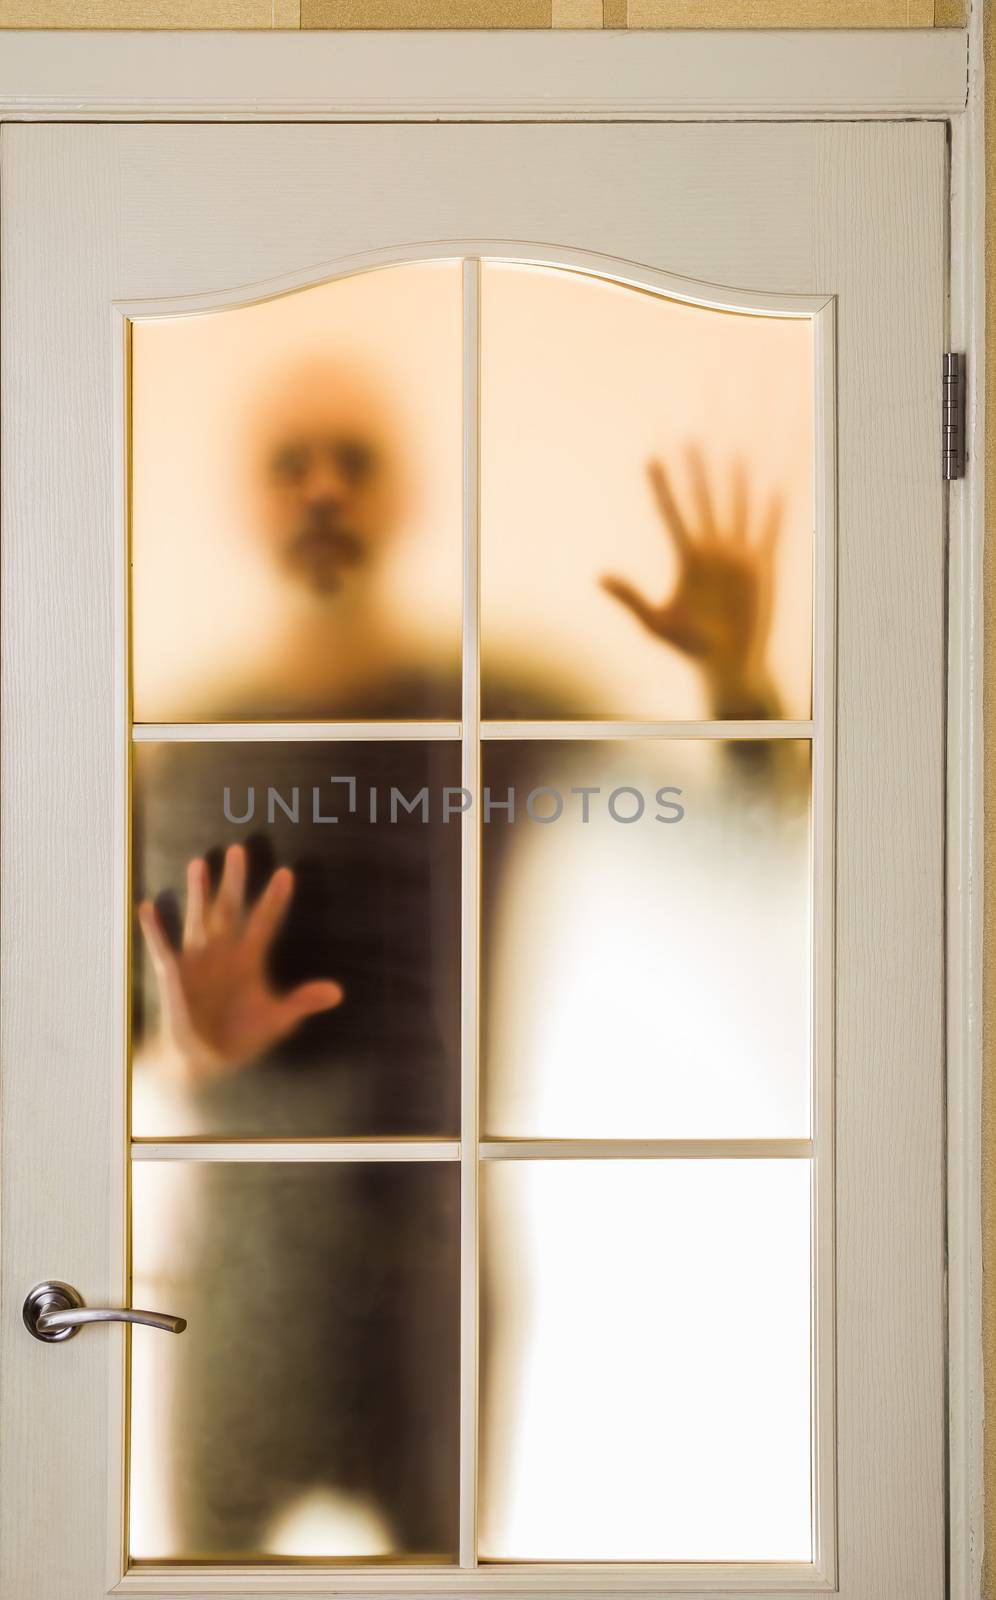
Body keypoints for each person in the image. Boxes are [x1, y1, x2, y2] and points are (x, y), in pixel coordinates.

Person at [131, 357, 794, 1562]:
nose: (323, 486)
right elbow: (92, 1026)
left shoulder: (503, 707)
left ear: (401, 493)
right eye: (292, 462)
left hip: (436, 1285)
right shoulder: (175, 746)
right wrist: (190, 1044)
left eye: (357, 459)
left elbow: (750, 827)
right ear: (253, 498)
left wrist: (736, 678)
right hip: (238, 1287)